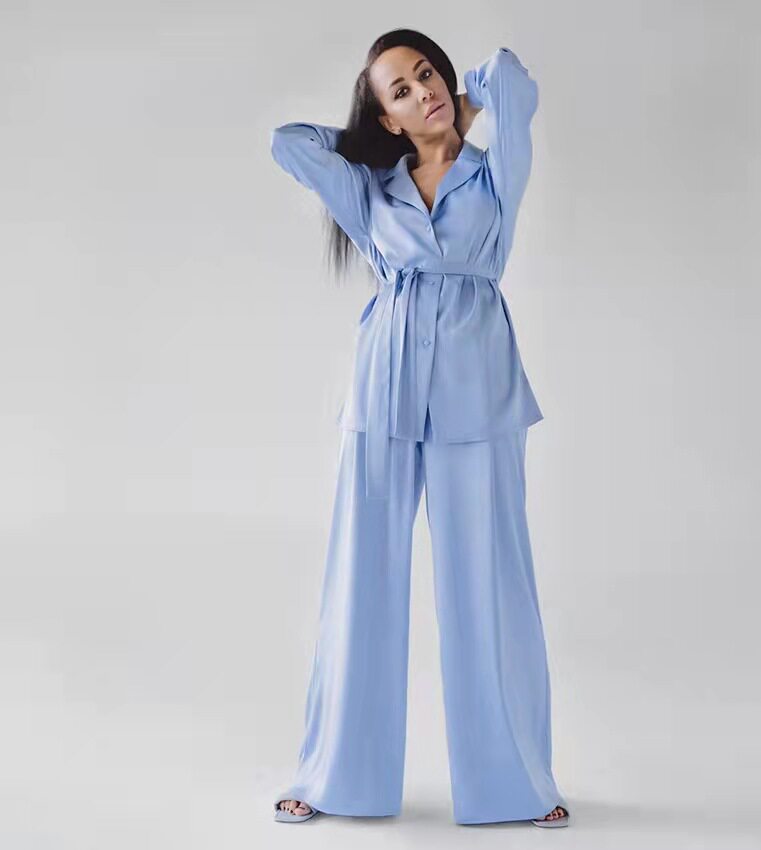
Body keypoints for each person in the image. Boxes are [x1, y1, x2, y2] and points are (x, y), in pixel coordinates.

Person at [268, 28, 570, 828]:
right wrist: (372, 136)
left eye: (426, 73)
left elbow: (511, 80)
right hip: (384, 393)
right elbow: (287, 144)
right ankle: (334, 779)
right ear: (386, 118)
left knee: (489, 585)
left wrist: (461, 106)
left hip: (479, 395)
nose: (422, 90)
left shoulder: (494, 170)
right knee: (359, 583)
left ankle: (516, 785)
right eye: (399, 90)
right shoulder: (371, 190)